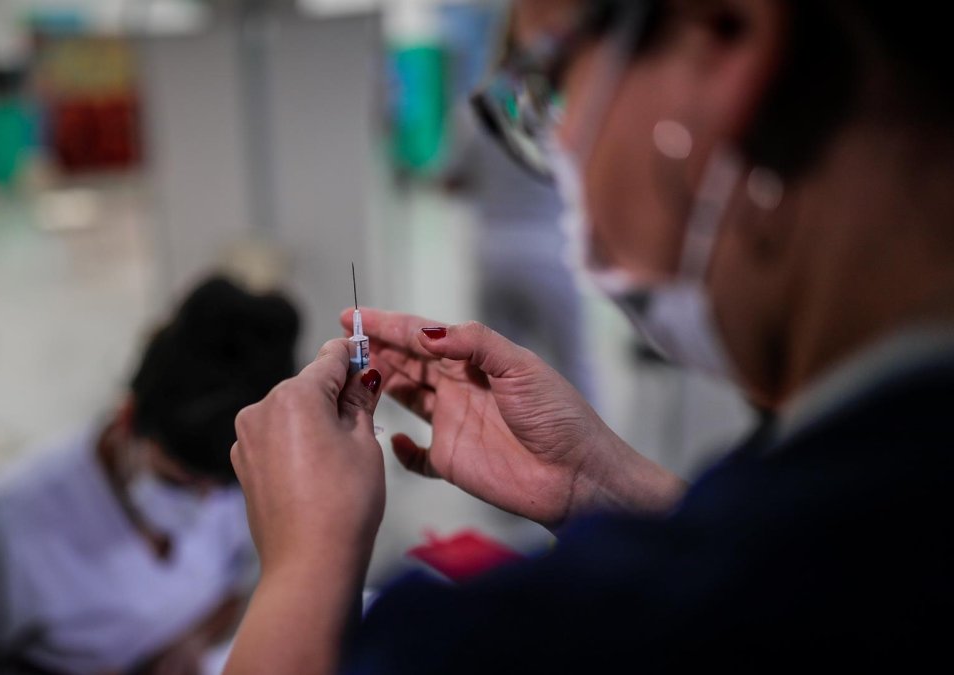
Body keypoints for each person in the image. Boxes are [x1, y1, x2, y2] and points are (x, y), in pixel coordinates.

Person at [223, 0, 954, 671]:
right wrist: (598, 485)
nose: (557, 145)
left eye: (548, 88)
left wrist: (305, 558)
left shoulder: (557, 638)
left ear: (726, 36)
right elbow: (804, 575)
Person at [0, 277, 299, 675]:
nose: (204, 505)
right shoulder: (2, 527)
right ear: (127, 419)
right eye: (176, 483)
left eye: (222, 488)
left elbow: (230, 586)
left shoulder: (228, 477)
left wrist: (190, 643)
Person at [443, 2, 595, 403]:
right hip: (554, 254)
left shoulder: (476, 110)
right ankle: (597, 459)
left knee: (496, 374)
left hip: (495, 255)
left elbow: (451, 180)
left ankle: (502, 456)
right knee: (574, 368)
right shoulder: (571, 110)